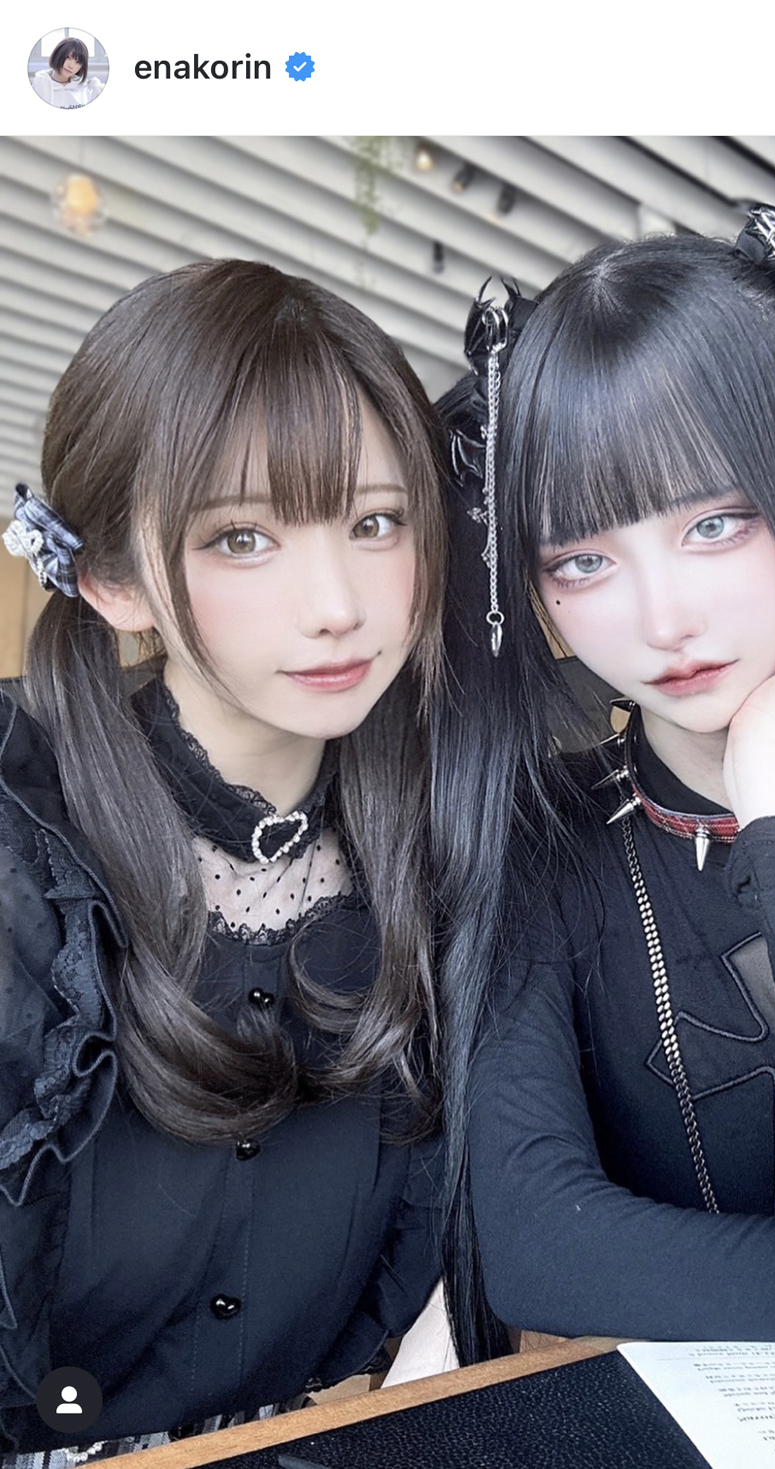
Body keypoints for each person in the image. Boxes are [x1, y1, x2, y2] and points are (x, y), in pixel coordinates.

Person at [435, 207, 775, 1382]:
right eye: (582, 558)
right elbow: (534, 1248)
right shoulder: (536, 836)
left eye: (715, 521)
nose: (661, 620)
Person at [0, 259, 446, 1456]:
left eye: (375, 521)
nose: (337, 603)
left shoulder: (452, 835)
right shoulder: (20, 853)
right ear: (114, 580)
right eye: (243, 537)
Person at [30, 37, 104, 108]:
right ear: (57, 55)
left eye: (78, 62)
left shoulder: (84, 87)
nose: (71, 66)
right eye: (68, 57)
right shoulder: (41, 85)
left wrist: (96, 87)